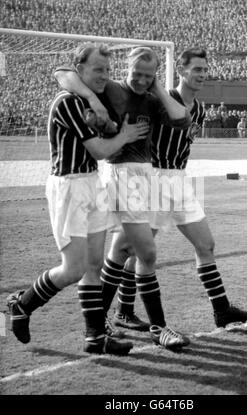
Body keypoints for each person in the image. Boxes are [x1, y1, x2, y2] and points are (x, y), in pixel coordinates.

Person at [6, 43, 151, 356]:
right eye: (98, 69)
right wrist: (124, 136)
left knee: (94, 265)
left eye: (108, 70)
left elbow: (102, 137)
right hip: (69, 186)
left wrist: (108, 119)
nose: (104, 75)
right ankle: (22, 304)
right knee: (73, 268)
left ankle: (95, 337)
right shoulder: (68, 101)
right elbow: (99, 150)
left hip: (92, 182)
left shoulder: (92, 99)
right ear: (80, 69)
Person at [108, 48, 247, 331]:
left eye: (204, 70)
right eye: (196, 69)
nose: (202, 74)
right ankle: (122, 311)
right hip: (153, 179)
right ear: (181, 70)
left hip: (180, 180)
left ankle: (221, 310)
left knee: (206, 245)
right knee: (135, 250)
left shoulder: (199, 109)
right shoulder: (160, 100)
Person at [55, 46, 192, 350]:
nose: (141, 80)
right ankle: (159, 328)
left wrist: (156, 84)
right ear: (125, 69)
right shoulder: (113, 90)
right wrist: (93, 100)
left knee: (121, 252)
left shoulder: (153, 99)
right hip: (121, 175)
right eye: (136, 73)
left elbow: (181, 118)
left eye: (148, 75)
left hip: (143, 175)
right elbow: (62, 73)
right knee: (148, 253)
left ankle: (99, 322)